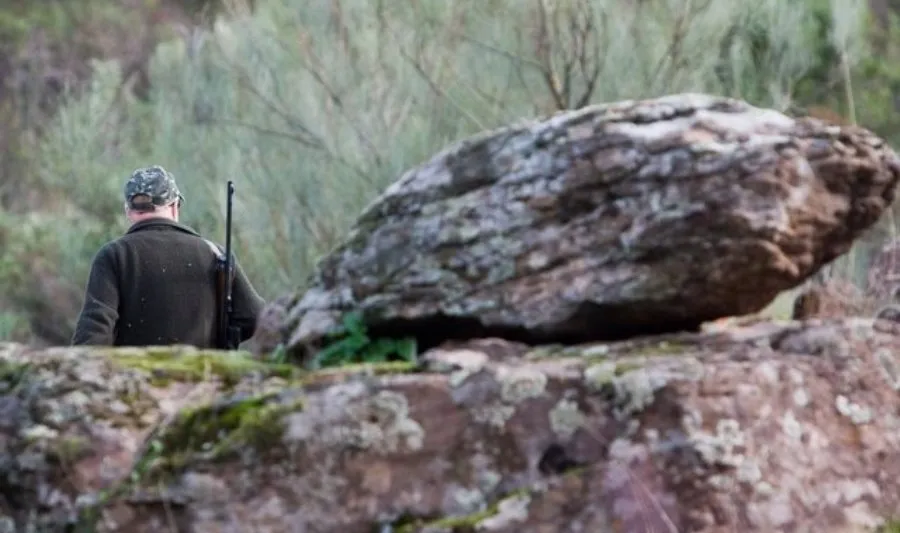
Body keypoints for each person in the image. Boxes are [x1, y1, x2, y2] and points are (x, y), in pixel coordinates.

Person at [71, 165, 265, 348]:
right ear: (174, 206)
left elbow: (94, 332)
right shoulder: (215, 253)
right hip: (201, 377)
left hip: (136, 379)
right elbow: (255, 317)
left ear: (128, 211)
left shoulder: (114, 255)